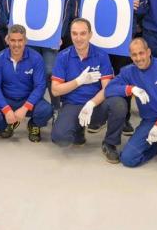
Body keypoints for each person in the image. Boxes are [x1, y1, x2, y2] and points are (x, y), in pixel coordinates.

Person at [49, 19, 125, 161]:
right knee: (60, 138)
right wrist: (79, 81)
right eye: (74, 33)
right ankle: (78, 131)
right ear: (70, 34)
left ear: (90, 34)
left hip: (97, 104)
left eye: (83, 33)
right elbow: (55, 90)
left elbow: (107, 89)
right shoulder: (63, 56)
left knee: (119, 103)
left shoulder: (101, 55)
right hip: (73, 104)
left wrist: (91, 103)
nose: (78, 38)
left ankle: (110, 143)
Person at [108, 38, 157, 167]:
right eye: (134, 55)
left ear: (149, 52)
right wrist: (130, 89)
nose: (138, 58)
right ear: (130, 56)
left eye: (141, 53)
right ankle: (154, 147)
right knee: (128, 159)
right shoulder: (128, 71)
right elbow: (109, 89)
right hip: (149, 121)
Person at [0, 25, 51, 142]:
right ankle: (7, 126)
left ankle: (34, 125)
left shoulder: (36, 58)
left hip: (28, 99)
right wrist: (6, 109)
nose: (16, 44)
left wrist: (25, 107)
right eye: (13, 40)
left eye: (20, 40)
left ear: (25, 41)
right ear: (7, 40)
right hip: (7, 99)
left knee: (46, 110)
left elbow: (40, 86)